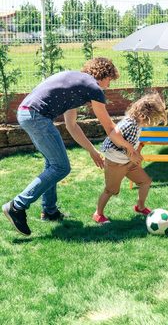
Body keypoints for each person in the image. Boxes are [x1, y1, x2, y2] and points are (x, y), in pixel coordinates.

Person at [2, 57, 137, 237]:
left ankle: (49, 211)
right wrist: (129, 148)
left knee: (52, 165)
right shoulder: (93, 88)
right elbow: (110, 127)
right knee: (61, 167)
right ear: (103, 76)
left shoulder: (75, 83)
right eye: (110, 80)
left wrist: (92, 151)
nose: (108, 86)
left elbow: (71, 125)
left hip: (27, 113)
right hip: (37, 117)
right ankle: (17, 206)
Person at [93, 92, 167, 224]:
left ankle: (140, 207)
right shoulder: (129, 123)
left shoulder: (138, 124)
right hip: (115, 163)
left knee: (145, 182)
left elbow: (132, 141)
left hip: (128, 162)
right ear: (143, 115)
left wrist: (137, 151)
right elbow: (114, 138)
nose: (151, 123)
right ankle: (98, 214)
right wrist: (131, 151)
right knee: (110, 190)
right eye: (152, 120)